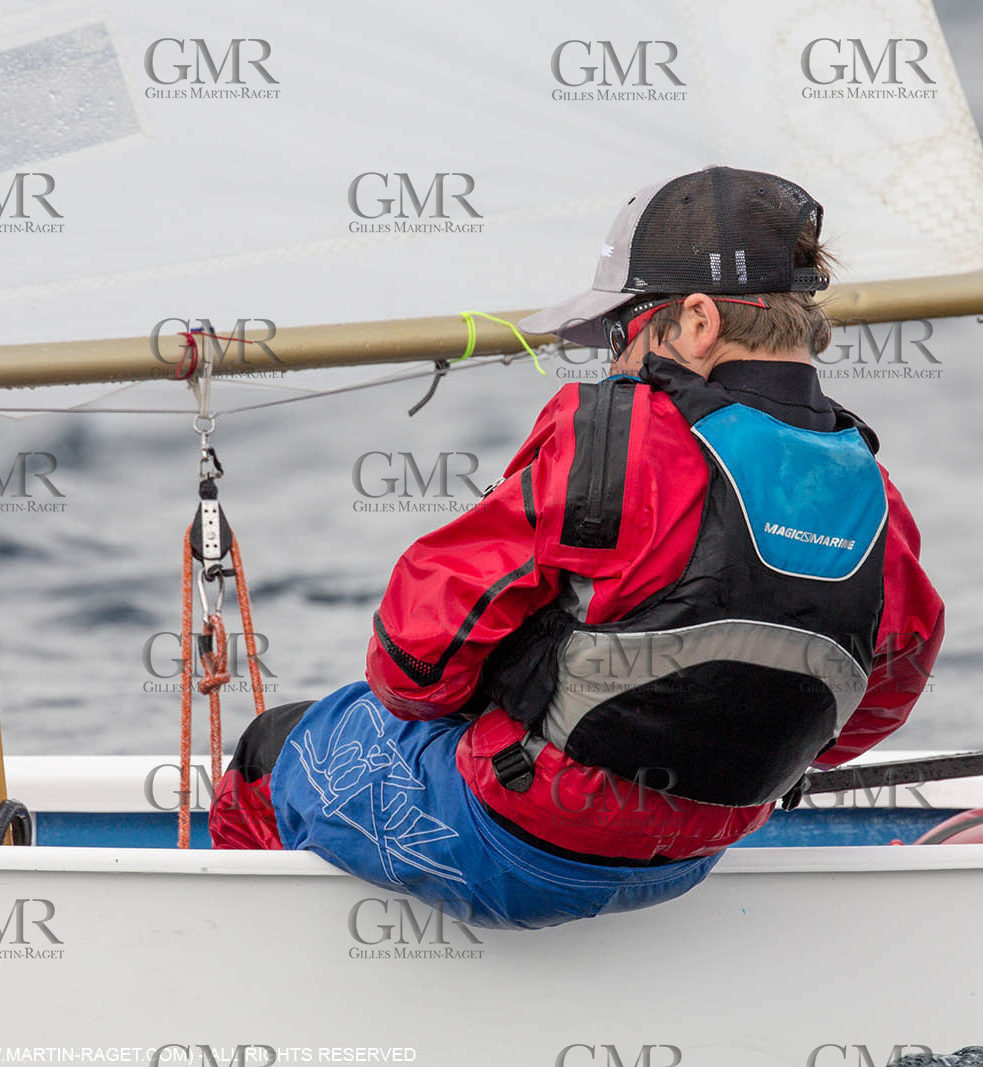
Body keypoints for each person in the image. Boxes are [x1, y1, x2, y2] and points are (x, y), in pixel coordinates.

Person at [209, 165, 945, 929]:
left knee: (273, 748)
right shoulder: (876, 494)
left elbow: (410, 664)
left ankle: (234, 969)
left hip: (515, 840)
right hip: (690, 857)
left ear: (697, 322)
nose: (614, 359)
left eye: (621, 332)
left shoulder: (613, 439)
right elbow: (865, 714)